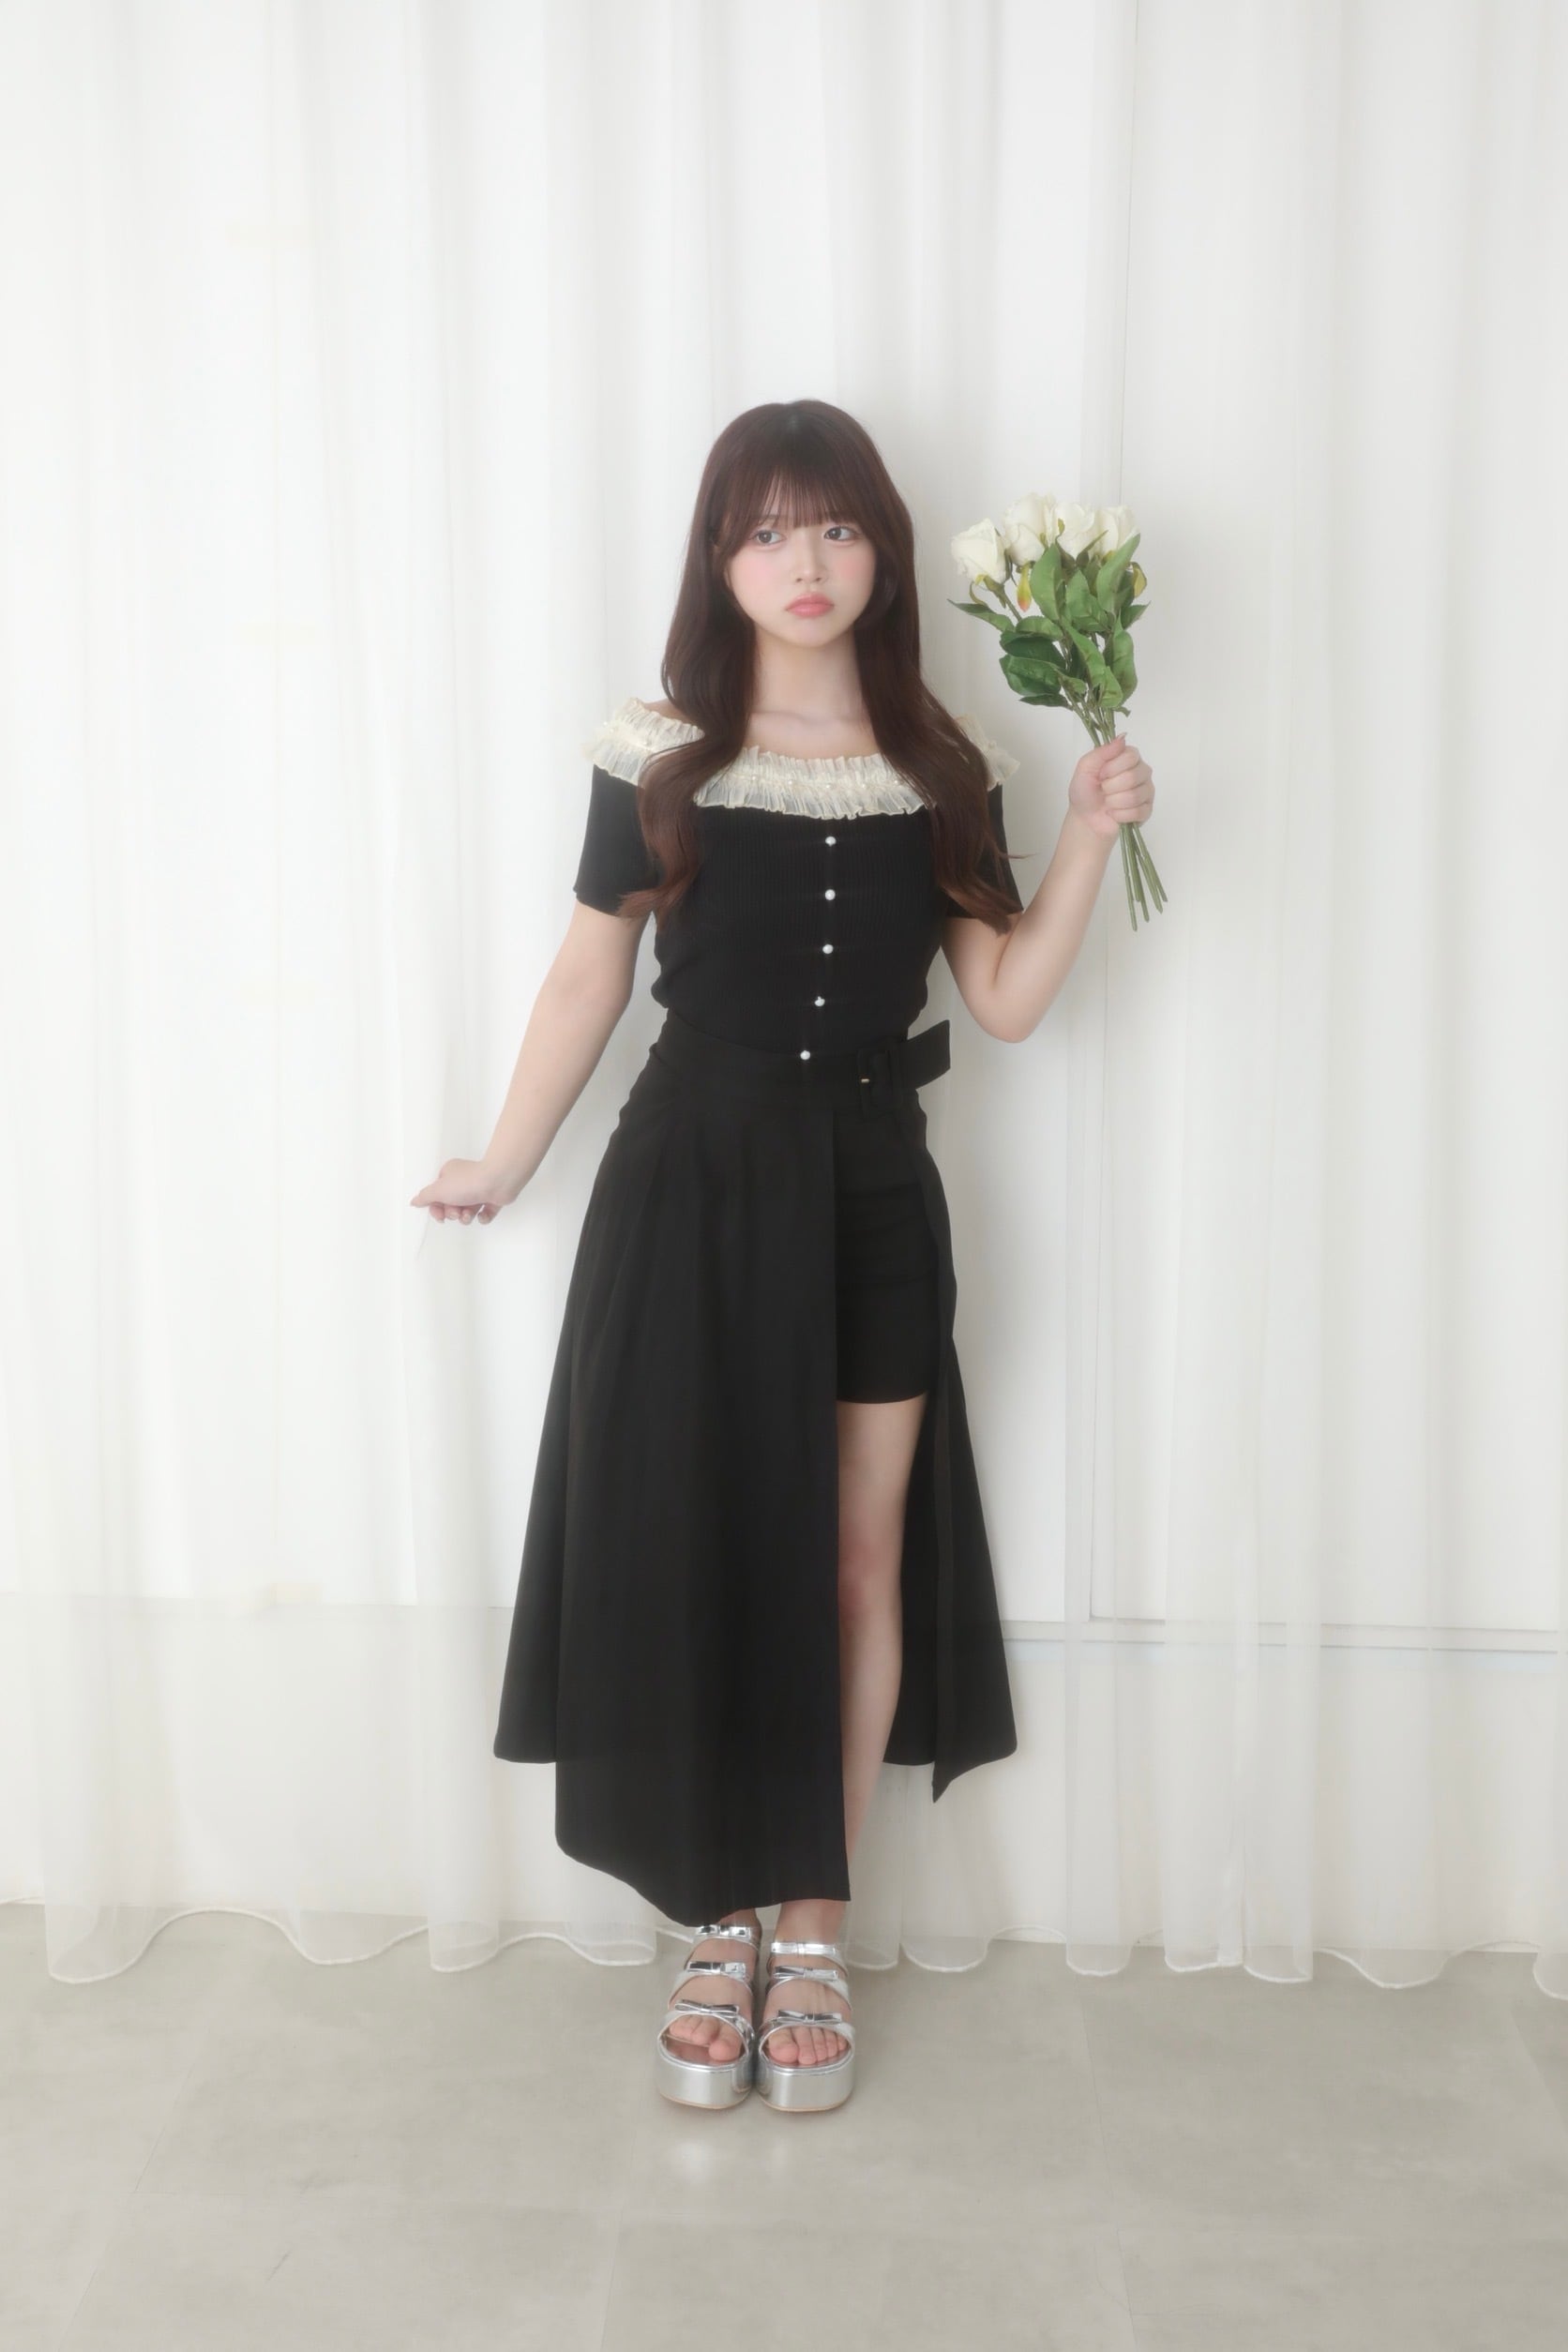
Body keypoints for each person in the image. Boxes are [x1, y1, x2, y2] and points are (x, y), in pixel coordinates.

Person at [411, 400, 1153, 2114]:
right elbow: (588, 975)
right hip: (689, 1181)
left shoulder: (943, 763)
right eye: (763, 531)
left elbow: (1005, 1001)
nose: (801, 561)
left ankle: (813, 1929)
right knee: (706, 1547)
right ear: (719, 559)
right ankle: (718, 1925)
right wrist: (505, 1159)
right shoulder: (661, 750)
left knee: (855, 1559)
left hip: (875, 1186)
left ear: (879, 546)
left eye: (833, 526)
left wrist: (1091, 832)